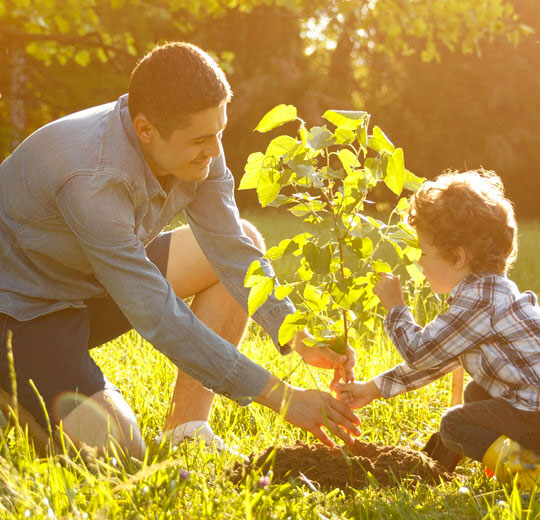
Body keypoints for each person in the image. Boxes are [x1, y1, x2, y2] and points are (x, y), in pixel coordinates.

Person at [0, 41, 359, 458]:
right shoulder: (92, 178)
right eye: (200, 139)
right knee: (120, 451)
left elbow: (232, 250)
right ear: (145, 129)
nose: (214, 150)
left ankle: (185, 428)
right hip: (22, 309)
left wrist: (299, 336)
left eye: (219, 132)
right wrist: (284, 398)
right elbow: (158, 315)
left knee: (246, 237)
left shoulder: (198, 150)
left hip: (88, 283)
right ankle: (11, 397)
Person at [335, 170, 540, 488]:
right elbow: (437, 360)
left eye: (424, 253)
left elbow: (419, 353)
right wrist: (373, 389)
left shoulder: (478, 303)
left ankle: (529, 473)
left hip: (535, 415)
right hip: (532, 408)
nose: (419, 263)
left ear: (457, 257)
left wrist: (395, 307)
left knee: (454, 425)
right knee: (476, 393)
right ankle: (501, 463)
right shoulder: (490, 294)